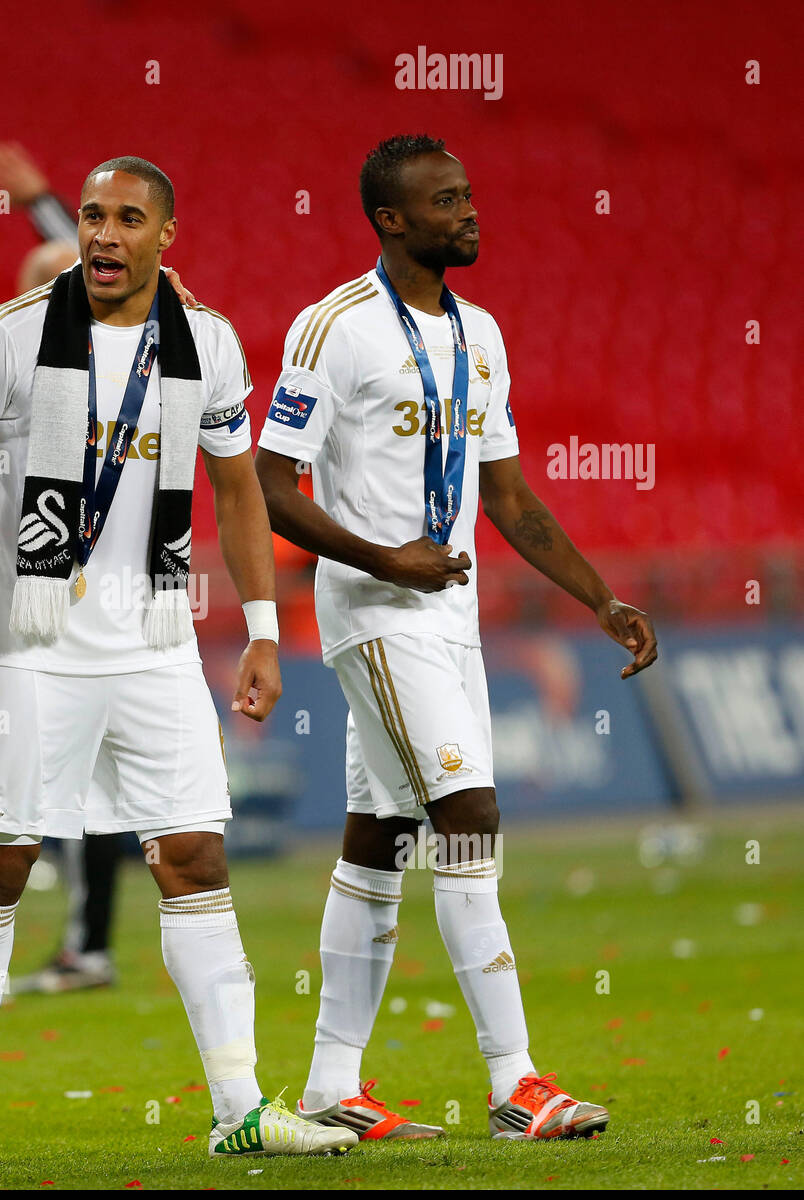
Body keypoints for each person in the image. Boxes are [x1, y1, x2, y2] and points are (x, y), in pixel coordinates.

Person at [0, 156, 355, 1165]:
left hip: (152, 639)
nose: (104, 235)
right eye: (94, 216)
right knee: (2, 862)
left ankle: (239, 1103)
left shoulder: (212, 343)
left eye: (127, 219)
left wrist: (265, 629)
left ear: (166, 236)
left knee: (194, 855)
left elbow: (238, 487)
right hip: (27, 644)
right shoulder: (8, 337)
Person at [255, 134, 658, 1144]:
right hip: (376, 619)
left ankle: (328, 1084)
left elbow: (509, 497)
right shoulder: (332, 329)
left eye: (469, 194)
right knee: (468, 816)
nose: (470, 212)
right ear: (392, 220)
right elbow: (268, 484)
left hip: (451, 622)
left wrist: (598, 597)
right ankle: (514, 1080)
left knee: (380, 839)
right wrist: (381, 560)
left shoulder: (481, 334)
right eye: (447, 201)